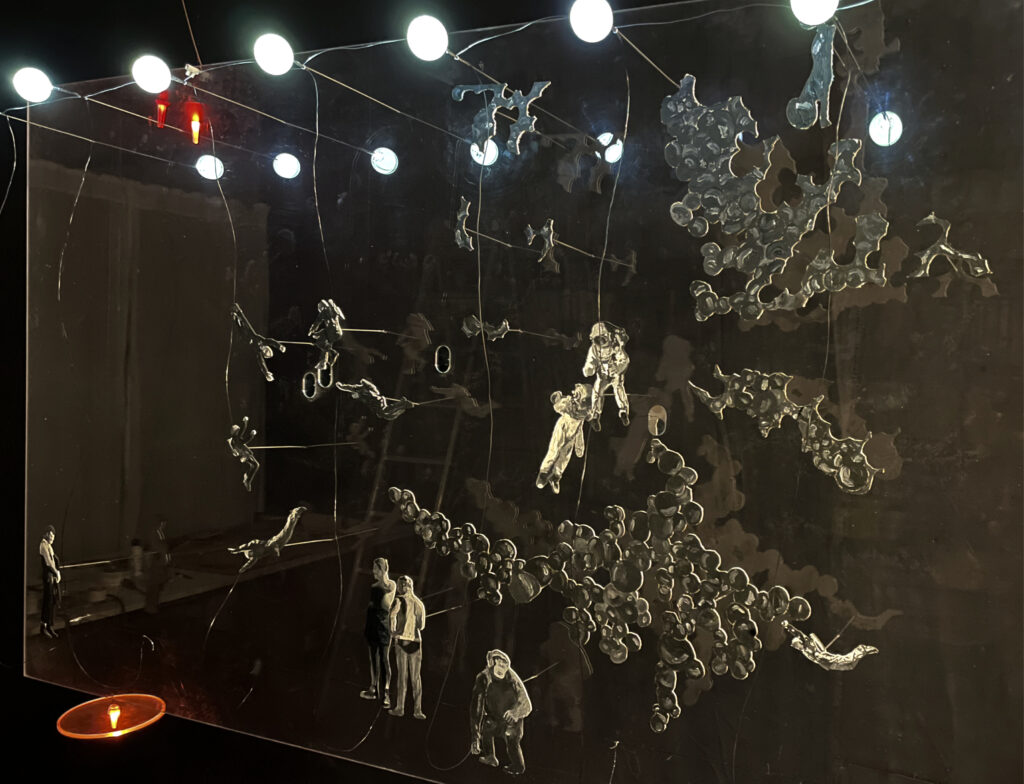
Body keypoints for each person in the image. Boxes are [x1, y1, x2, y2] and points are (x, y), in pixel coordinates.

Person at [470, 649, 533, 776]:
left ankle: (518, 767)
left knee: (511, 739)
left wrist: (515, 712)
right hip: (495, 717)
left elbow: (527, 705)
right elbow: (477, 708)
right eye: (498, 663)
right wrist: (475, 737)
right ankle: (490, 757)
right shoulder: (483, 678)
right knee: (487, 727)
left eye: (504, 665)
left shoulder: (512, 678)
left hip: (512, 719)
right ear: (492, 663)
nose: (501, 668)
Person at [536, 383, 592, 494]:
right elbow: (557, 407)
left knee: (565, 455)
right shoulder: (569, 403)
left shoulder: (585, 410)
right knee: (554, 450)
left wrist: (579, 445)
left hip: (573, 432)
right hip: (563, 427)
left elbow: (580, 426)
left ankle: (555, 476)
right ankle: (543, 473)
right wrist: (559, 399)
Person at [388, 575, 426, 719]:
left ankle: (400, 708)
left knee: (402, 677)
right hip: (416, 640)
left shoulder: (398, 600)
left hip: (402, 640)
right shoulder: (419, 603)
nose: (399, 587)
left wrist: (393, 632)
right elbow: (421, 626)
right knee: (416, 678)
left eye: (400, 585)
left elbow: (392, 617)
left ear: (404, 586)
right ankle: (417, 710)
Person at [361, 557, 396, 707]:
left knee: (384, 659)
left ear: (383, 569)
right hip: (372, 624)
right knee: (373, 658)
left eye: (376, 568)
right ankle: (373, 687)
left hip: (384, 626)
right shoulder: (374, 586)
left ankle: (386, 693)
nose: (373, 571)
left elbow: (386, 604)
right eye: (373, 568)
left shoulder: (391, 584)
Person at [583, 321, 630, 430]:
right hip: (603, 375)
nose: (601, 341)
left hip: (615, 374)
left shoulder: (615, 345)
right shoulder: (594, 349)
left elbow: (625, 359)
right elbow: (590, 361)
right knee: (597, 391)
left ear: (607, 336)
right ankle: (595, 415)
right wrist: (589, 369)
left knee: (618, 389)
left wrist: (617, 368)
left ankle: (623, 411)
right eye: (598, 339)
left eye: (602, 338)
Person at [39, 526, 61, 638]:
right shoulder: (43, 545)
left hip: (51, 577)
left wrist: (57, 572)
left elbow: (54, 560)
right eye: (51, 535)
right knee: (47, 602)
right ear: (47, 534)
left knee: (51, 602)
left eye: (54, 536)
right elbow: (48, 563)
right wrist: (57, 572)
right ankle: (43, 628)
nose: (53, 538)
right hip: (48, 577)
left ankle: (50, 627)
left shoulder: (49, 546)